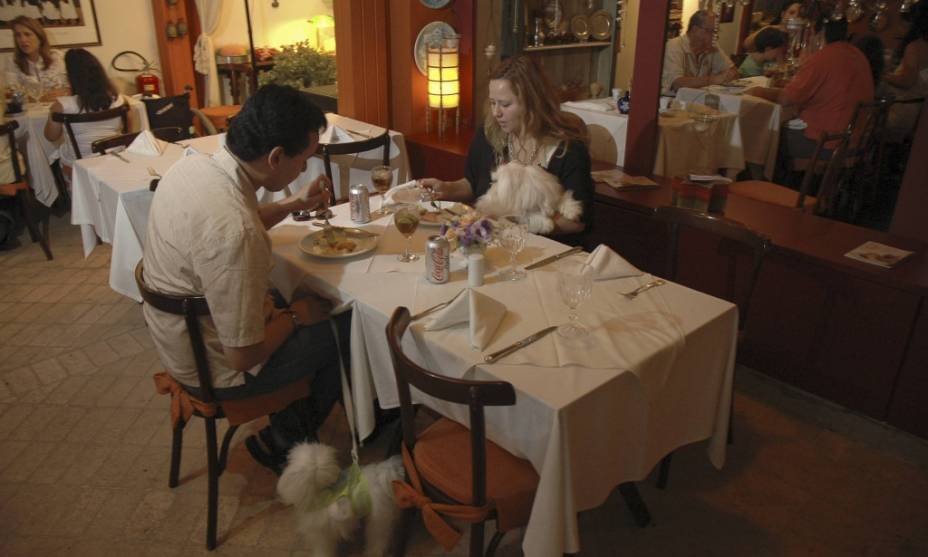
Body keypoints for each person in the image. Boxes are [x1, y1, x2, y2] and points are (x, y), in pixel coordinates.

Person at [142, 84, 346, 473]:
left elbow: (233, 223)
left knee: (293, 294)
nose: (304, 169)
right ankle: (284, 440)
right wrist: (297, 316)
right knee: (342, 325)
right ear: (275, 157)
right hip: (212, 367)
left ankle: (293, 422)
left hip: (178, 339)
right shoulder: (237, 233)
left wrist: (292, 204)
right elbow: (244, 355)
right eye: (303, 161)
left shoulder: (195, 166)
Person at [420, 55, 593, 242]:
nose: (496, 113)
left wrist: (512, 222)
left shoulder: (568, 151)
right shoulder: (489, 136)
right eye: (493, 102)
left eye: (505, 104)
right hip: (497, 242)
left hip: (547, 250)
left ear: (532, 102)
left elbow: (576, 222)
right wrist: (447, 188)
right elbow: (473, 183)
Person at [745, 17, 873, 166]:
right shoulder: (858, 55)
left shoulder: (823, 57)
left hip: (826, 142)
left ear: (820, 34)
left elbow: (786, 99)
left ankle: (775, 185)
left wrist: (759, 91)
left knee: (767, 136)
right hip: (857, 139)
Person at [43, 48, 137, 179]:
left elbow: (51, 137)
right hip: (115, 158)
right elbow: (128, 133)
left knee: (54, 156)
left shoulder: (62, 105)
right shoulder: (119, 100)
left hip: (80, 165)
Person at [661, 9, 738, 94]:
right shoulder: (674, 46)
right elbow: (677, 83)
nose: (714, 36)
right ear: (695, 30)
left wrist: (726, 76)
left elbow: (732, 71)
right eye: (710, 31)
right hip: (674, 102)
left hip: (699, 100)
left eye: (715, 32)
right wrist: (714, 79)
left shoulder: (712, 46)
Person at [883, 2, 928, 139]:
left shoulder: (915, 47)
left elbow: (907, 81)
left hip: (899, 113)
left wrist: (884, 76)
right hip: (916, 115)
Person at [2, 15, 68, 100]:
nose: (22, 40)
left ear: (39, 37)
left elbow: (71, 88)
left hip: (59, 109)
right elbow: (12, 94)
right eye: (18, 35)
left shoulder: (58, 57)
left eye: (27, 34)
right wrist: (41, 97)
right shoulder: (12, 62)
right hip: (31, 112)